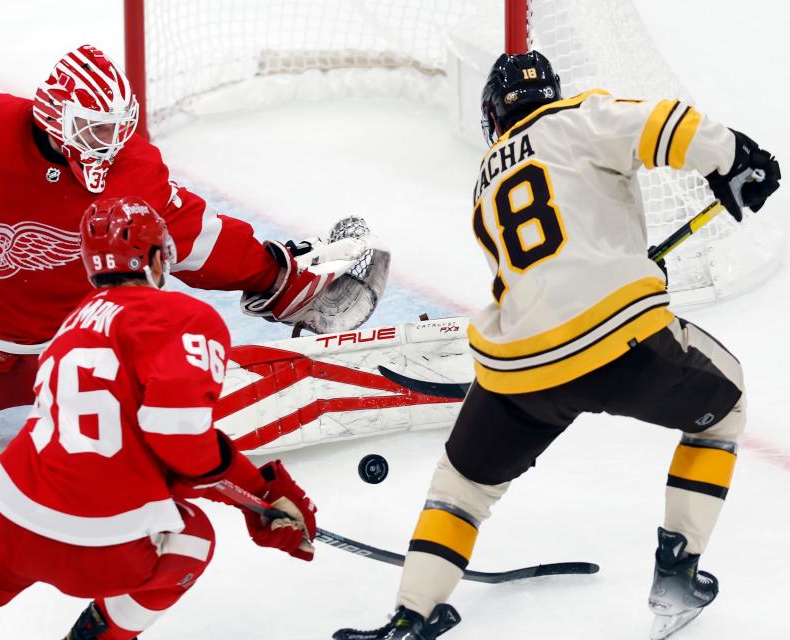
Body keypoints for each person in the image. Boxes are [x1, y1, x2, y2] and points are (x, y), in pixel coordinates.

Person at [333, 50, 781, 640]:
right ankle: (677, 576)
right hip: (622, 346)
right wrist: (735, 158)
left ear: (494, 113)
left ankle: (410, 616)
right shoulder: (578, 117)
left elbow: (539, 268)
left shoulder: (485, 179)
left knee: (461, 488)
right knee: (726, 407)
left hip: (519, 369)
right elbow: (664, 123)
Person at [0, 44, 387, 455]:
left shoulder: (133, 171)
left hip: (89, 353)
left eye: (119, 128)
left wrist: (277, 279)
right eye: (97, 132)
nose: (113, 145)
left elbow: (197, 238)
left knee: (145, 451)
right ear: (54, 120)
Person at [0, 196, 317, 640]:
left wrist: (252, 493)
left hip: (4, 517)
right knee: (192, 536)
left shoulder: (72, 324)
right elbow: (178, 439)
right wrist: (261, 495)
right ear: (155, 260)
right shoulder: (183, 317)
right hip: (103, 545)